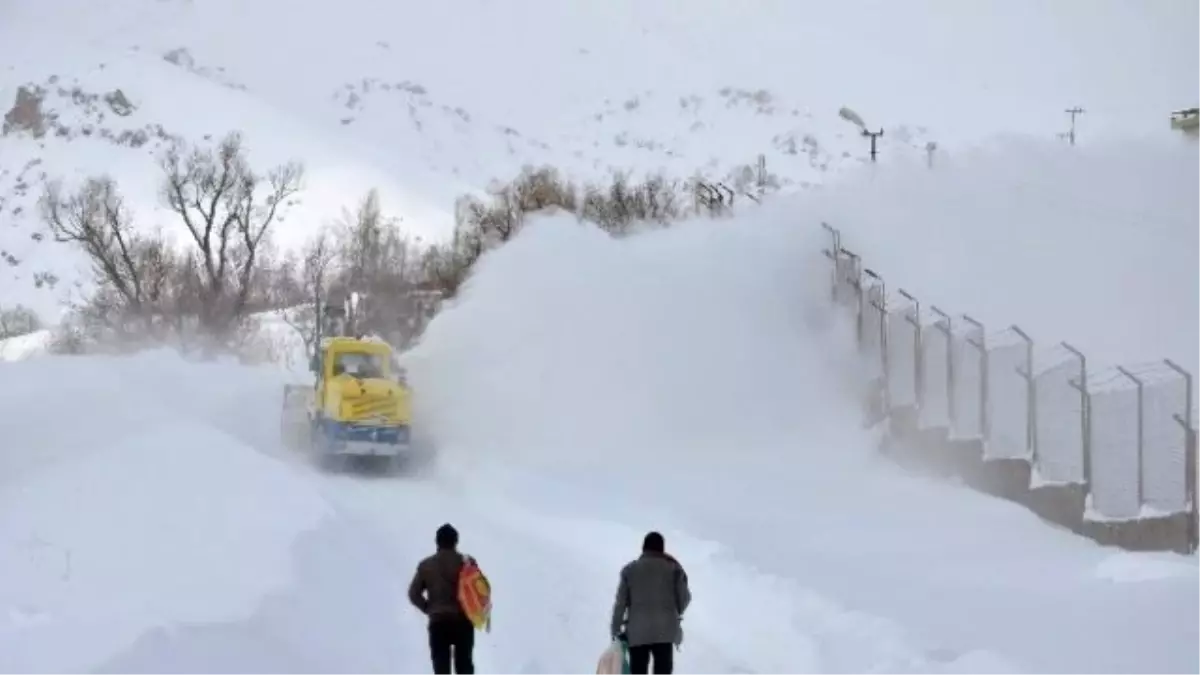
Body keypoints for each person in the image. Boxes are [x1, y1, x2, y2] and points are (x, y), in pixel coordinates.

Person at [610, 531, 692, 675]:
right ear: (662, 549)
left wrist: (616, 630)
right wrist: (674, 612)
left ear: (643, 548)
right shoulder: (674, 569)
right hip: (665, 631)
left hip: (637, 632)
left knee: (638, 671)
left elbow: (620, 604)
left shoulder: (629, 570)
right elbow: (684, 598)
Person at [409, 523, 476, 675]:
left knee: (441, 669)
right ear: (456, 541)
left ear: (437, 541)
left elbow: (414, 594)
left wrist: (427, 608)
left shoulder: (426, 565)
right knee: (465, 666)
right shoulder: (467, 562)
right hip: (463, 622)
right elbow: (479, 590)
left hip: (439, 623)